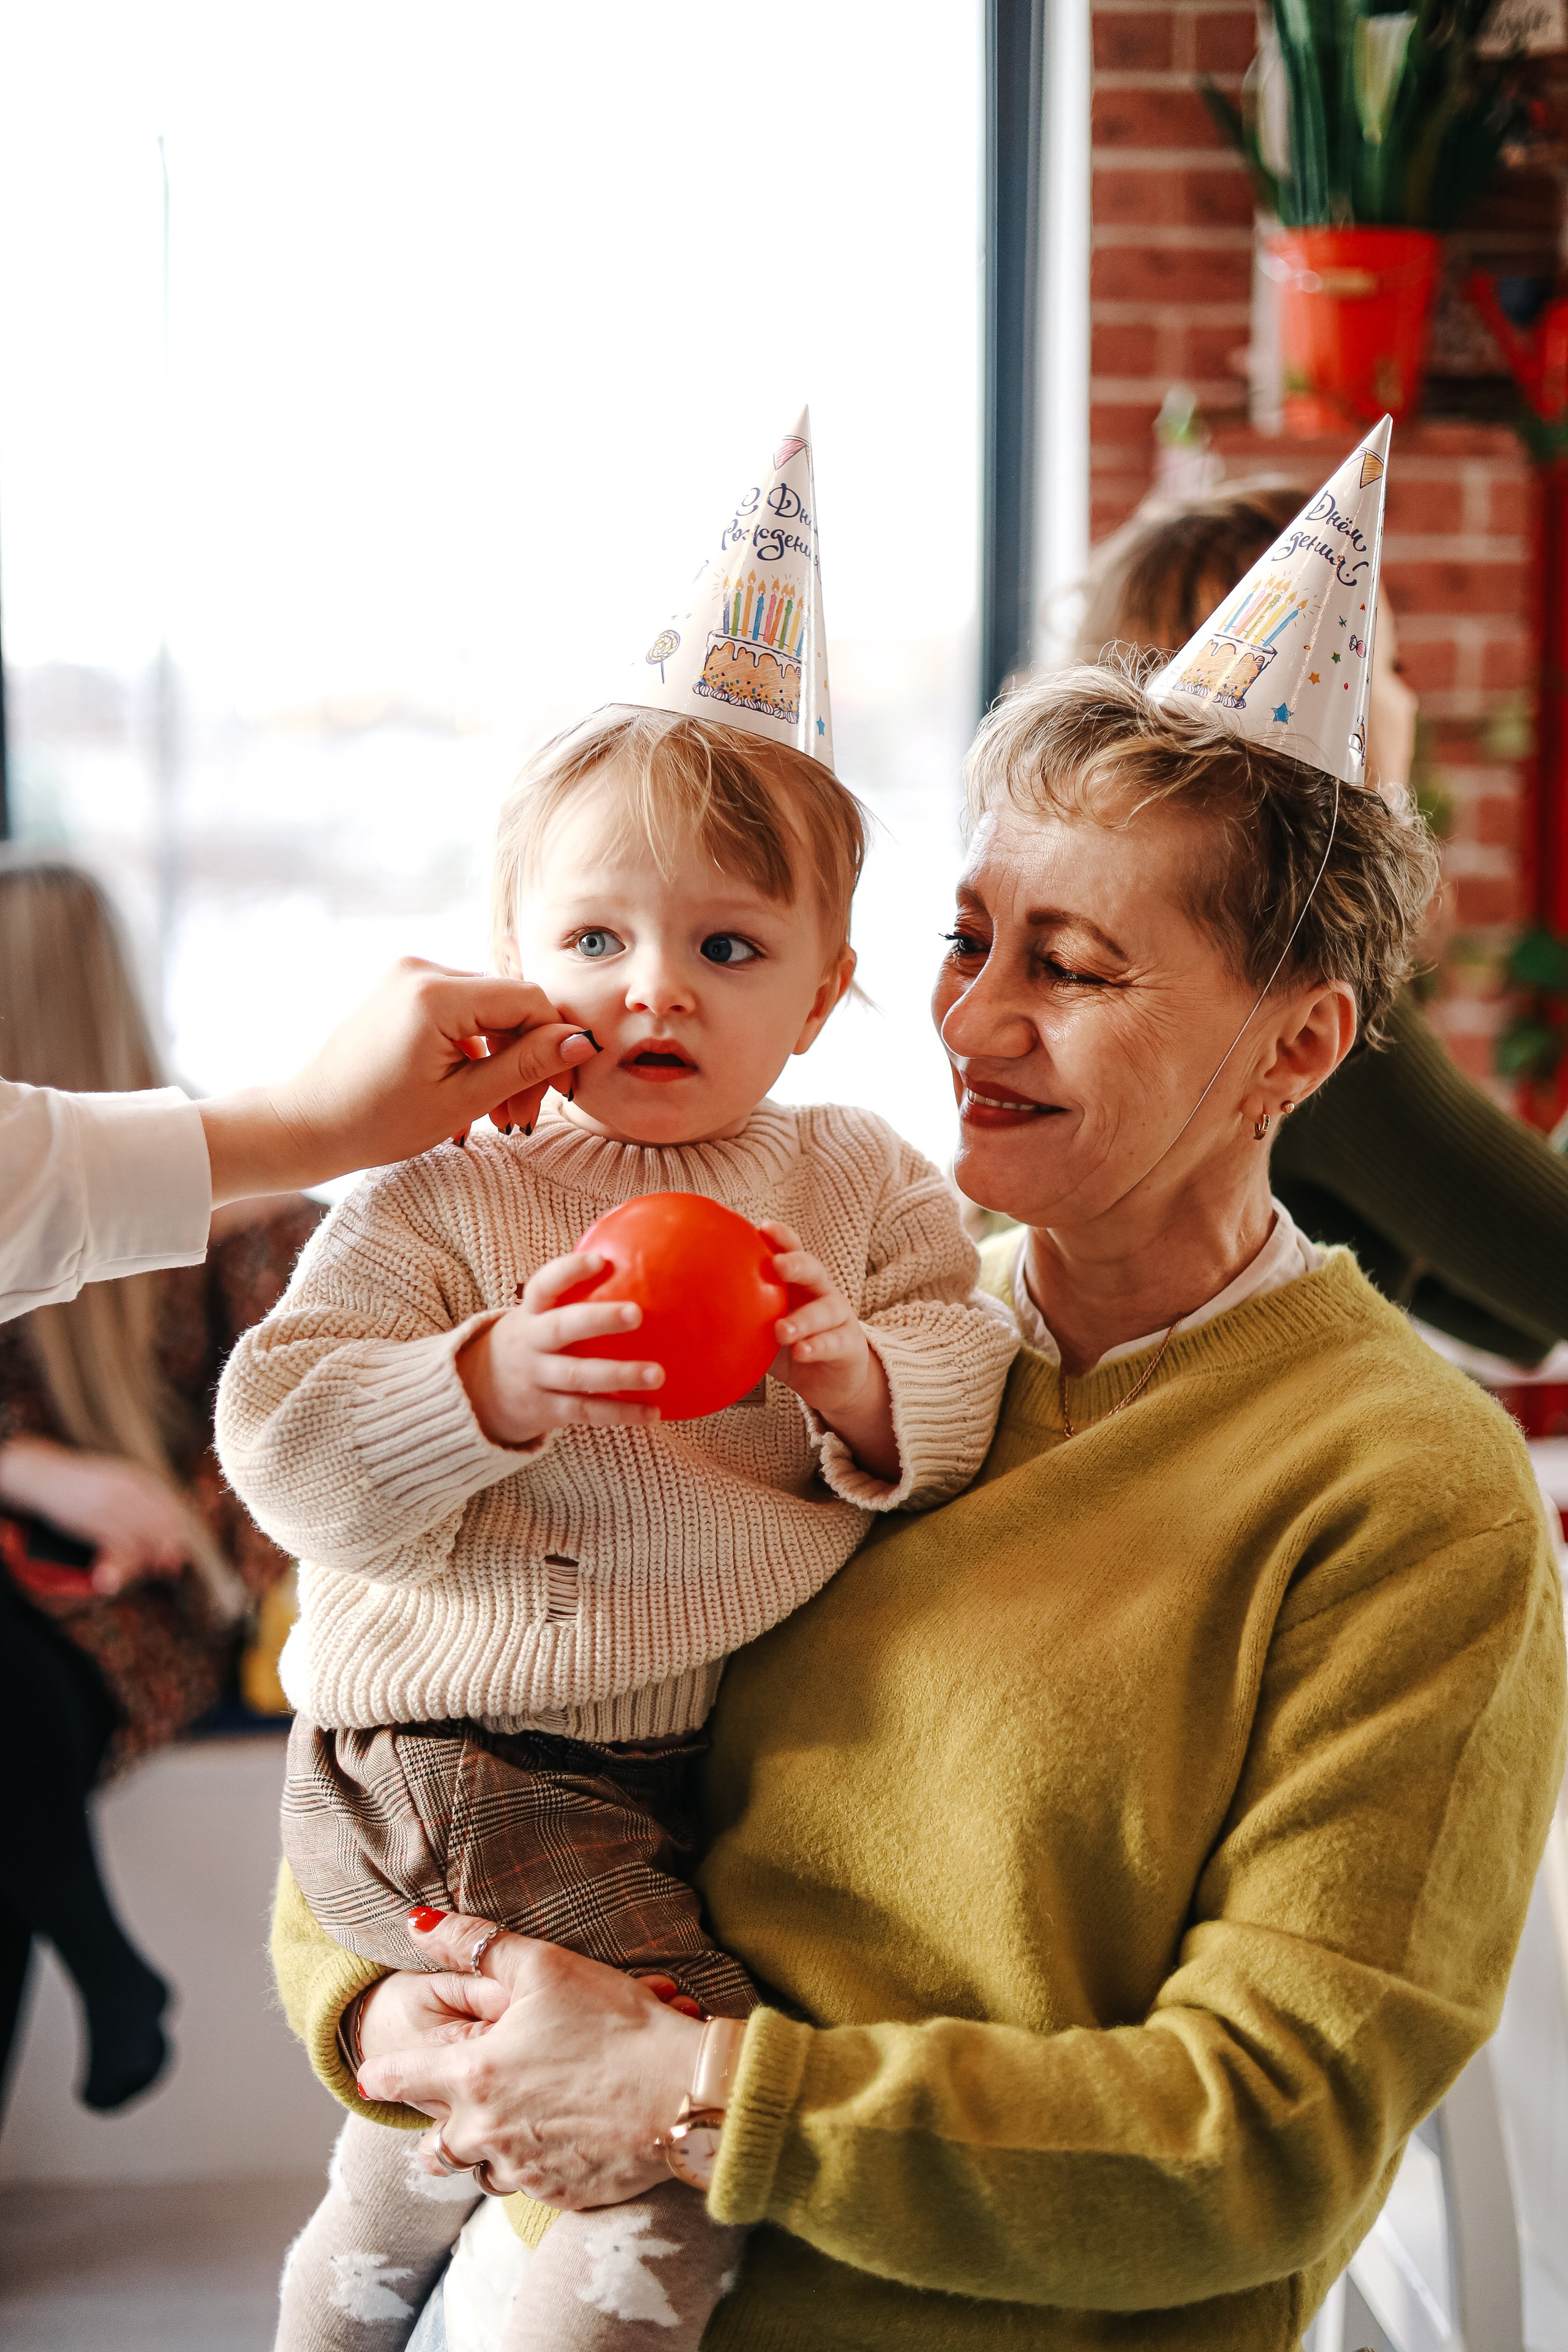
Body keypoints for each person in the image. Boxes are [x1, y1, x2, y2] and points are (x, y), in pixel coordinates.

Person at [267, 433, 1564, 2350]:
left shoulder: (1399, 1490)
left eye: (1073, 968)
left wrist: (697, 2096)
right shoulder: (847, 1318)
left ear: (1293, 1047)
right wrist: (380, 2002)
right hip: (535, 2252)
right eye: (966, 940)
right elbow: (455, 1689)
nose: (964, 1020)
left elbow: (1264, 2134)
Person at [218, 427, 1016, 2352]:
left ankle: (348, 2285)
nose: (652, 987)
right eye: (595, 938)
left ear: (825, 990)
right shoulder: (454, 1180)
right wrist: (481, 1380)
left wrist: (853, 1373)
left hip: (655, 1760)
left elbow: (970, 1362)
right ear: (519, 951)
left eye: (724, 946)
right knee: (667, 2115)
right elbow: (285, 1446)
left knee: (419, 2142)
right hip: (463, 1749)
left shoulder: (856, 1184)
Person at [1076, 480, 1568, 1367]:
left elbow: (1510, 1315)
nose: (1409, 705)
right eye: (1390, 668)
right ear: (1322, 699)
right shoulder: (1288, 994)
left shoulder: (1115, 946)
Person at [0, 861, 319, 2114]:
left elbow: (301, 1447)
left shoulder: (251, 1215)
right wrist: (36, 1474)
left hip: (146, 1607)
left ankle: (112, 1974)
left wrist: (173, 1515)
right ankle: (108, 1966)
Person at [0, 945, 603, 1323]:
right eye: (595, 942)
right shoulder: (425, 1207)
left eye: (706, 946)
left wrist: (298, 1128)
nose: (655, 992)